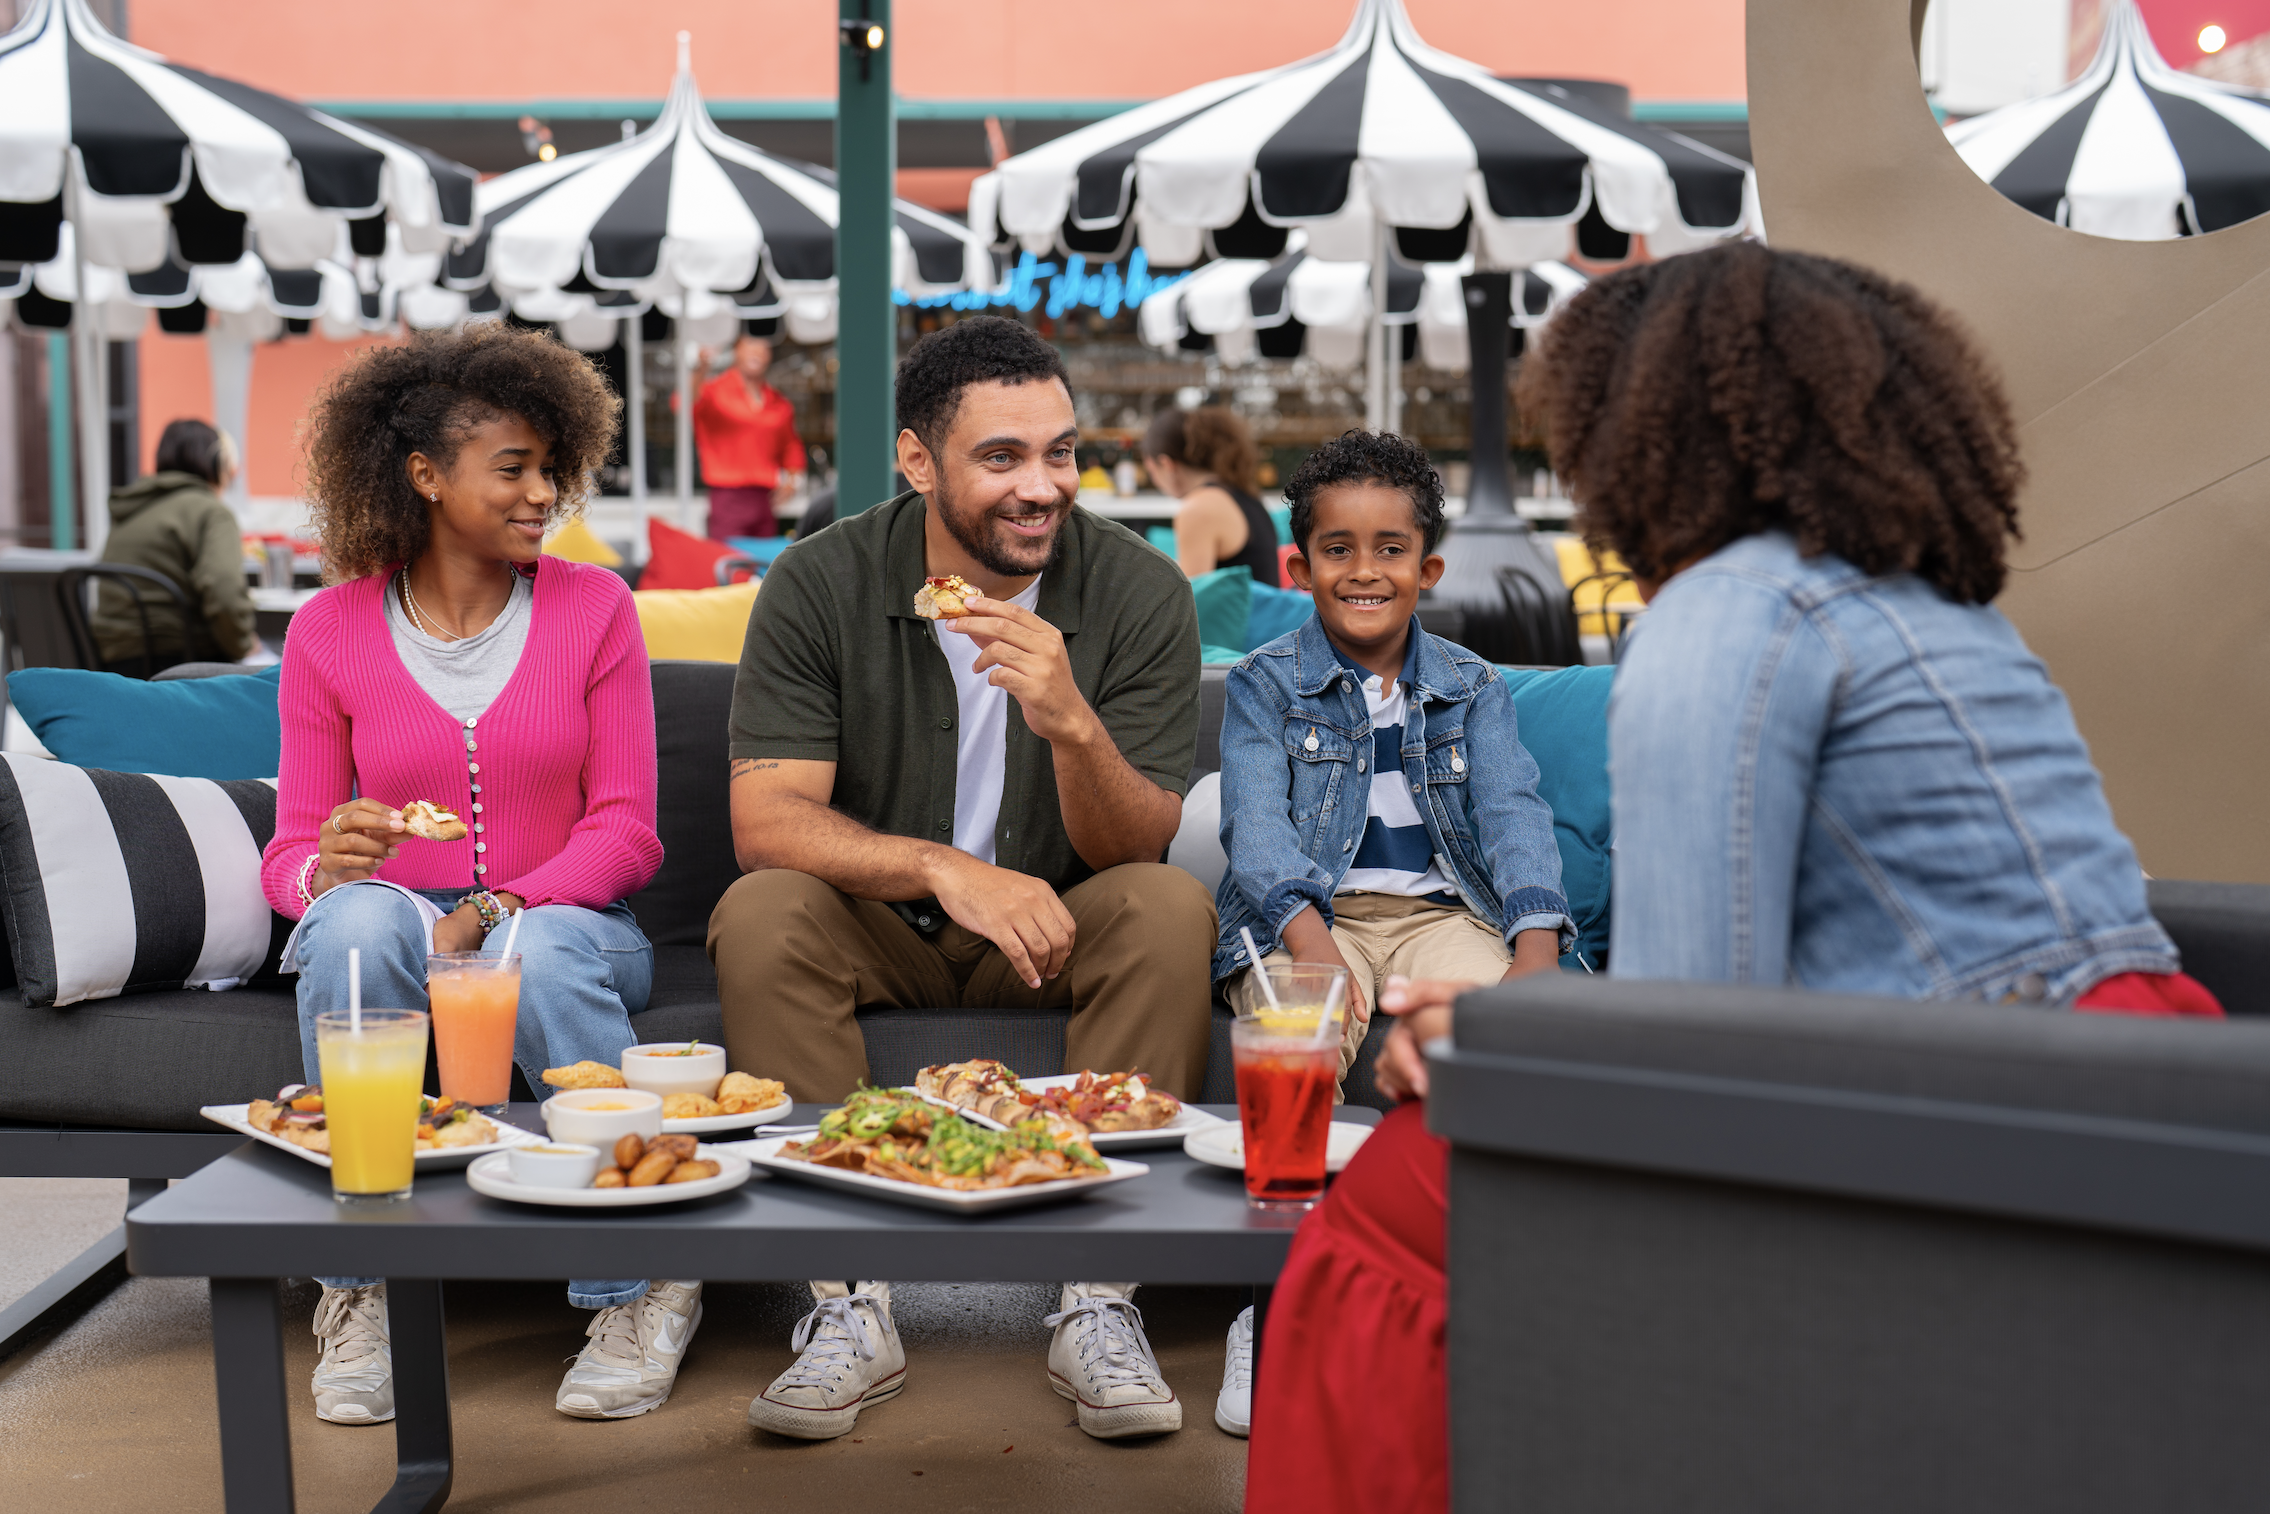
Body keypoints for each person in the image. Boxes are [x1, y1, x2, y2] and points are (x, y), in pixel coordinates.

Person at [1242, 242, 2222, 1514]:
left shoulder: (1724, 613)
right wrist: (1515, 1021)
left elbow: (1693, 1037)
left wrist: (1512, 1045)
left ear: (1644, 429)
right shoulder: (1936, 599)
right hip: (2131, 1086)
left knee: (1372, 1224)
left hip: (1973, 1100)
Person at [711, 315, 1216, 1443]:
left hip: (1057, 926)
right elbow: (763, 819)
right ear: (916, 459)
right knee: (762, 908)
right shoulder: (818, 580)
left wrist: (1071, 723)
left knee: (1168, 904)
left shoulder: (1138, 593)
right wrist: (945, 868)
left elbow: (1136, 845)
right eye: (1002, 457)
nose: (1041, 487)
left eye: (1061, 452)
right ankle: (846, 1302)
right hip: (880, 926)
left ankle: (1099, 1295)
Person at [258, 323, 688, 1430]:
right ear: (424, 476)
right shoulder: (325, 631)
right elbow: (289, 852)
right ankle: (365, 1286)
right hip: (400, 917)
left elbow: (627, 830)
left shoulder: (596, 611)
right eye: (513, 468)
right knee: (353, 927)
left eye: (552, 465)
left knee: (534, 951)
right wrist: (326, 863)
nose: (544, 490)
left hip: (573, 918)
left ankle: (632, 1286)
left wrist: (500, 907)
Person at [1208, 429, 1572, 1438]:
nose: (1363, 570)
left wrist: (1533, 951)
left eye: (1388, 549)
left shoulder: (1471, 684)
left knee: (1496, 1033)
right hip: (1309, 917)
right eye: (1336, 548)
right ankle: (1267, 1300)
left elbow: (1511, 812)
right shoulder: (1263, 683)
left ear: (1427, 567)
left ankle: (1475, 1297)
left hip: (1440, 916)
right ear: (1297, 565)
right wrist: (1307, 941)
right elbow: (1253, 817)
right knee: (1295, 1039)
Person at [92, 418, 257, 673]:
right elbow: (225, 595)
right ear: (218, 463)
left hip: (114, 665)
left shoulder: (131, 510)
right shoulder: (211, 512)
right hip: (182, 666)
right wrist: (244, 645)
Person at [1144, 405, 1282, 585]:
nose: (1154, 481)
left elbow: (1190, 604)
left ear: (1166, 464)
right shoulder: (1244, 496)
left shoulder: (1199, 508)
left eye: (1151, 471)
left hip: (1244, 614)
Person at [693, 332, 806, 540]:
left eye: (764, 348)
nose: (758, 352)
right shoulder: (715, 390)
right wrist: (700, 370)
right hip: (728, 496)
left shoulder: (777, 401)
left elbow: (791, 443)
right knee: (727, 563)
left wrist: (793, 479)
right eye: (751, 345)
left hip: (765, 499)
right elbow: (686, 403)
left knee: (763, 566)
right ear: (736, 350)